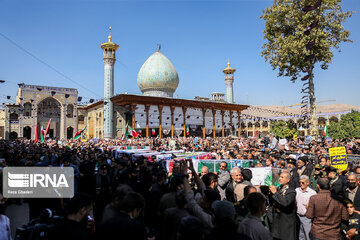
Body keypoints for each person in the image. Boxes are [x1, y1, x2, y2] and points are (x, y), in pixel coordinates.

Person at [269, 171, 297, 240]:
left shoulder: (291, 191)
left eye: (282, 177)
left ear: (288, 180)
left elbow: (285, 202)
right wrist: (271, 193)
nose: (280, 179)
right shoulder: (279, 188)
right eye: (280, 177)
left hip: (286, 222)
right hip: (277, 221)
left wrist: (275, 193)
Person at [295, 175, 317, 240]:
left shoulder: (312, 193)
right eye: (300, 182)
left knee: (308, 235)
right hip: (298, 216)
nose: (301, 184)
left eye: (303, 183)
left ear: (308, 183)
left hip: (306, 217)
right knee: (301, 235)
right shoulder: (297, 190)